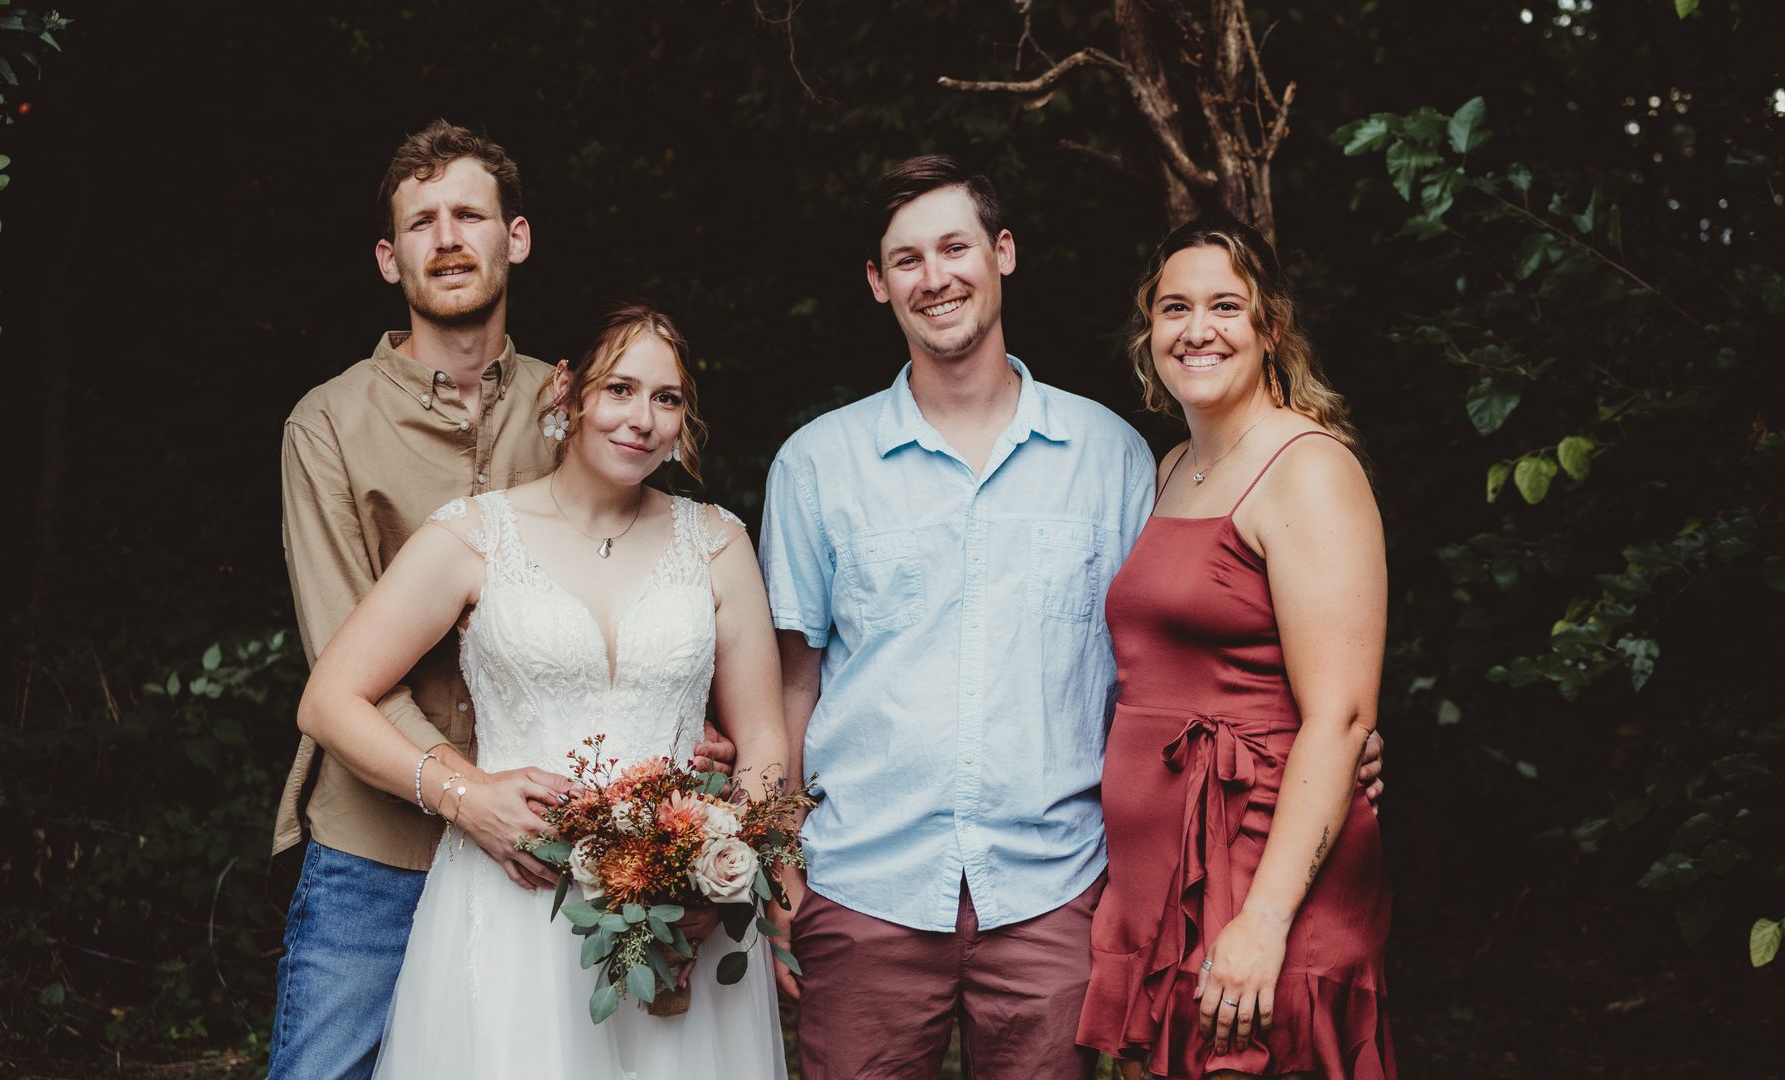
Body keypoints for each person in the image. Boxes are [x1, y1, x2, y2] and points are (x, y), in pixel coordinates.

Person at [757, 158, 1384, 1080]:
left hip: (1056, 891)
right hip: (866, 884)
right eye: (907, 258)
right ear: (877, 282)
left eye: (956, 247)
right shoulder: (817, 463)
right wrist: (776, 856)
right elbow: (791, 682)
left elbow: (1198, 655)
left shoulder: (1116, 458)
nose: (935, 277)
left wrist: (1332, 737)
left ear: (1003, 254)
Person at [268, 121, 733, 1078]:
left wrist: (683, 734)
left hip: (571, 854)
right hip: (380, 842)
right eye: (422, 223)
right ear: (389, 258)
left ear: (514, 237)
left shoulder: (584, 399)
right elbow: (342, 666)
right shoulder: (329, 425)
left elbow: (655, 578)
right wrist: (469, 794)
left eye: (470, 216)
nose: (448, 239)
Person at [297, 305, 791, 1077]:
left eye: (666, 398)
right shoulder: (475, 534)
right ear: (568, 390)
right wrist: (464, 798)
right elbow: (328, 700)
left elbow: (762, 738)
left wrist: (721, 875)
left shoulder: (717, 542)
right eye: (620, 389)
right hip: (512, 900)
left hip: (679, 915)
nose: (642, 418)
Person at [1075, 218, 1395, 1079]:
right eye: (1174, 307)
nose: (1197, 329)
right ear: (1149, 330)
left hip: (1261, 870)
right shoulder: (1173, 465)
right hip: (1161, 875)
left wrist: (1265, 920)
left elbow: (1342, 715)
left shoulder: (1308, 468)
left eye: (1226, 305)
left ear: (1271, 327)